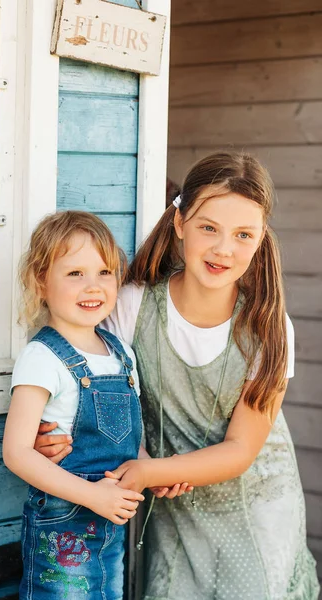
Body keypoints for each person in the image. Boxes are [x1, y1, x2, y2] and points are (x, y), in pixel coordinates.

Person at [34, 152, 320, 600]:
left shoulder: (267, 327)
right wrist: (55, 431)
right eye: (209, 227)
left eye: (243, 234)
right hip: (169, 507)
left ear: (261, 238)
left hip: (256, 510)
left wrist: (152, 468)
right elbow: (90, 390)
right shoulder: (131, 306)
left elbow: (242, 450)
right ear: (180, 221)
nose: (224, 248)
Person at [3, 211, 147, 600]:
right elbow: (17, 452)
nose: (93, 286)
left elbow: (130, 438)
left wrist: (150, 468)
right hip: (63, 529)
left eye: (105, 272)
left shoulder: (121, 354)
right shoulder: (42, 357)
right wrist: (94, 496)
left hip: (111, 526)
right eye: (74, 274)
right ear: (41, 283)